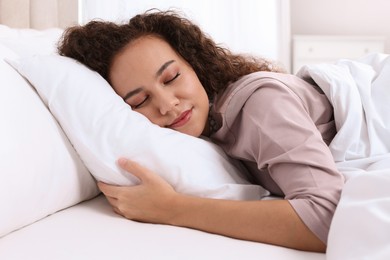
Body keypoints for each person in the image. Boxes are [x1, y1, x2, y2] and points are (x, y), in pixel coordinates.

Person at [57, 10, 344, 252]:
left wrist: (171, 208)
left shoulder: (260, 104)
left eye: (171, 77)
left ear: (195, 64)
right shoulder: (210, 131)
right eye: (140, 101)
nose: (168, 105)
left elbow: (327, 219)